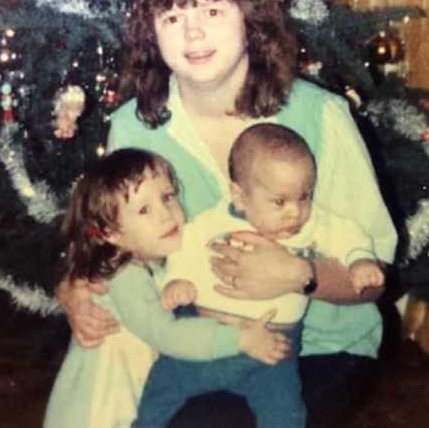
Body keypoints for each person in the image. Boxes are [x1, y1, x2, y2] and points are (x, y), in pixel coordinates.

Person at [59, 0, 398, 426]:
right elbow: (113, 238)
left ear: (249, 17)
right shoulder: (134, 126)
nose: (193, 35)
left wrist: (299, 275)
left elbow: (374, 280)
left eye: (213, 12)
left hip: (317, 343)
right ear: (151, 33)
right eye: (173, 18)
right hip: (191, 332)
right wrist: (73, 285)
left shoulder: (322, 116)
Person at [133, 123, 385, 428]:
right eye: (279, 201)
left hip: (273, 350)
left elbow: (348, 236)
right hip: (208, 338)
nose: (295, 212)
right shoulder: (214, 221)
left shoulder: (313, 224)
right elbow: (183, 249)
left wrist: (360, 261)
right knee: (163, 386)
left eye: (304, 196)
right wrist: (176, 282)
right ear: (240, 196)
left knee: (285, 412)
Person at [44, 148, 290, 428]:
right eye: (144, 210)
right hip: (97, 416)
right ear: (110, 233)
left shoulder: (153, 266)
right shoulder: (125, 277)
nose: (166, 215)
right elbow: (166, 335)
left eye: (168, 197)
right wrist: (240, 339)